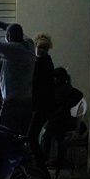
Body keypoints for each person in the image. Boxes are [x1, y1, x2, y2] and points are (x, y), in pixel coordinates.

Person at [42, 66, 85, 169]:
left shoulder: (66, 88)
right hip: (58, 118)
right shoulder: (57, 88)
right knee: (53, 136)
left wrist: (68, 104)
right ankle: (53, 160)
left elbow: (79, 94)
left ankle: (46, 159)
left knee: (48, 136)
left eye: (55, 78)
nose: (54, 80)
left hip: (61, 119)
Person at [27, 33, 56, 171]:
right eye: (40, 47)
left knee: (31, 136)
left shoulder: (43, 63)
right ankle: (39, 165)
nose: (42, 50)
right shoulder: (41, 62)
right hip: (40, 106)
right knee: (32, 136)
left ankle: (41, 166)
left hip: (42, 106)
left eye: (45, 48)